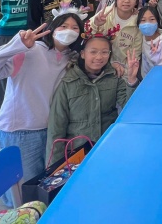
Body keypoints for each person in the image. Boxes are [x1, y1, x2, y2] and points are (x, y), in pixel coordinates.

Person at [0, 11, 85, 207]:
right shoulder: (29, 51)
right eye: (63, 26)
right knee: (21, 196)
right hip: (20, 131)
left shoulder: (70, 58)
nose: (69, 31)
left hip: (51, 131)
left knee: (43, 190)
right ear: (52, 28)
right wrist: (15, 46)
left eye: (75, 28)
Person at [46, 32, 140, 163]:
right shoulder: (68, 82)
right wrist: (54, 166)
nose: (99, 57)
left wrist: (131, 80)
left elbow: (131, 110)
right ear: (83, 54)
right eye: (93, 52)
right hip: (77, 154)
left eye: (105, 52)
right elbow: (56, 128)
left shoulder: (114, 78)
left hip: (108, 148)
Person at [87, 0, 142, 78]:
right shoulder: (106, 13)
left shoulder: (138, 22)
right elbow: (87, 34)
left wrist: (124, 73)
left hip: (122, 72)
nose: (127, 1)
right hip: (98, 66)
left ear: (136, 1)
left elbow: (135, 55)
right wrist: (96, 24)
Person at [137, 6, 162, 77]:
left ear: (158, 22)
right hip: (146, 79)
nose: (147, 23)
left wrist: (158, 58)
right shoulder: (141, 36)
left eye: (152, 19)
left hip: (161, 79)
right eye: (143, 20)